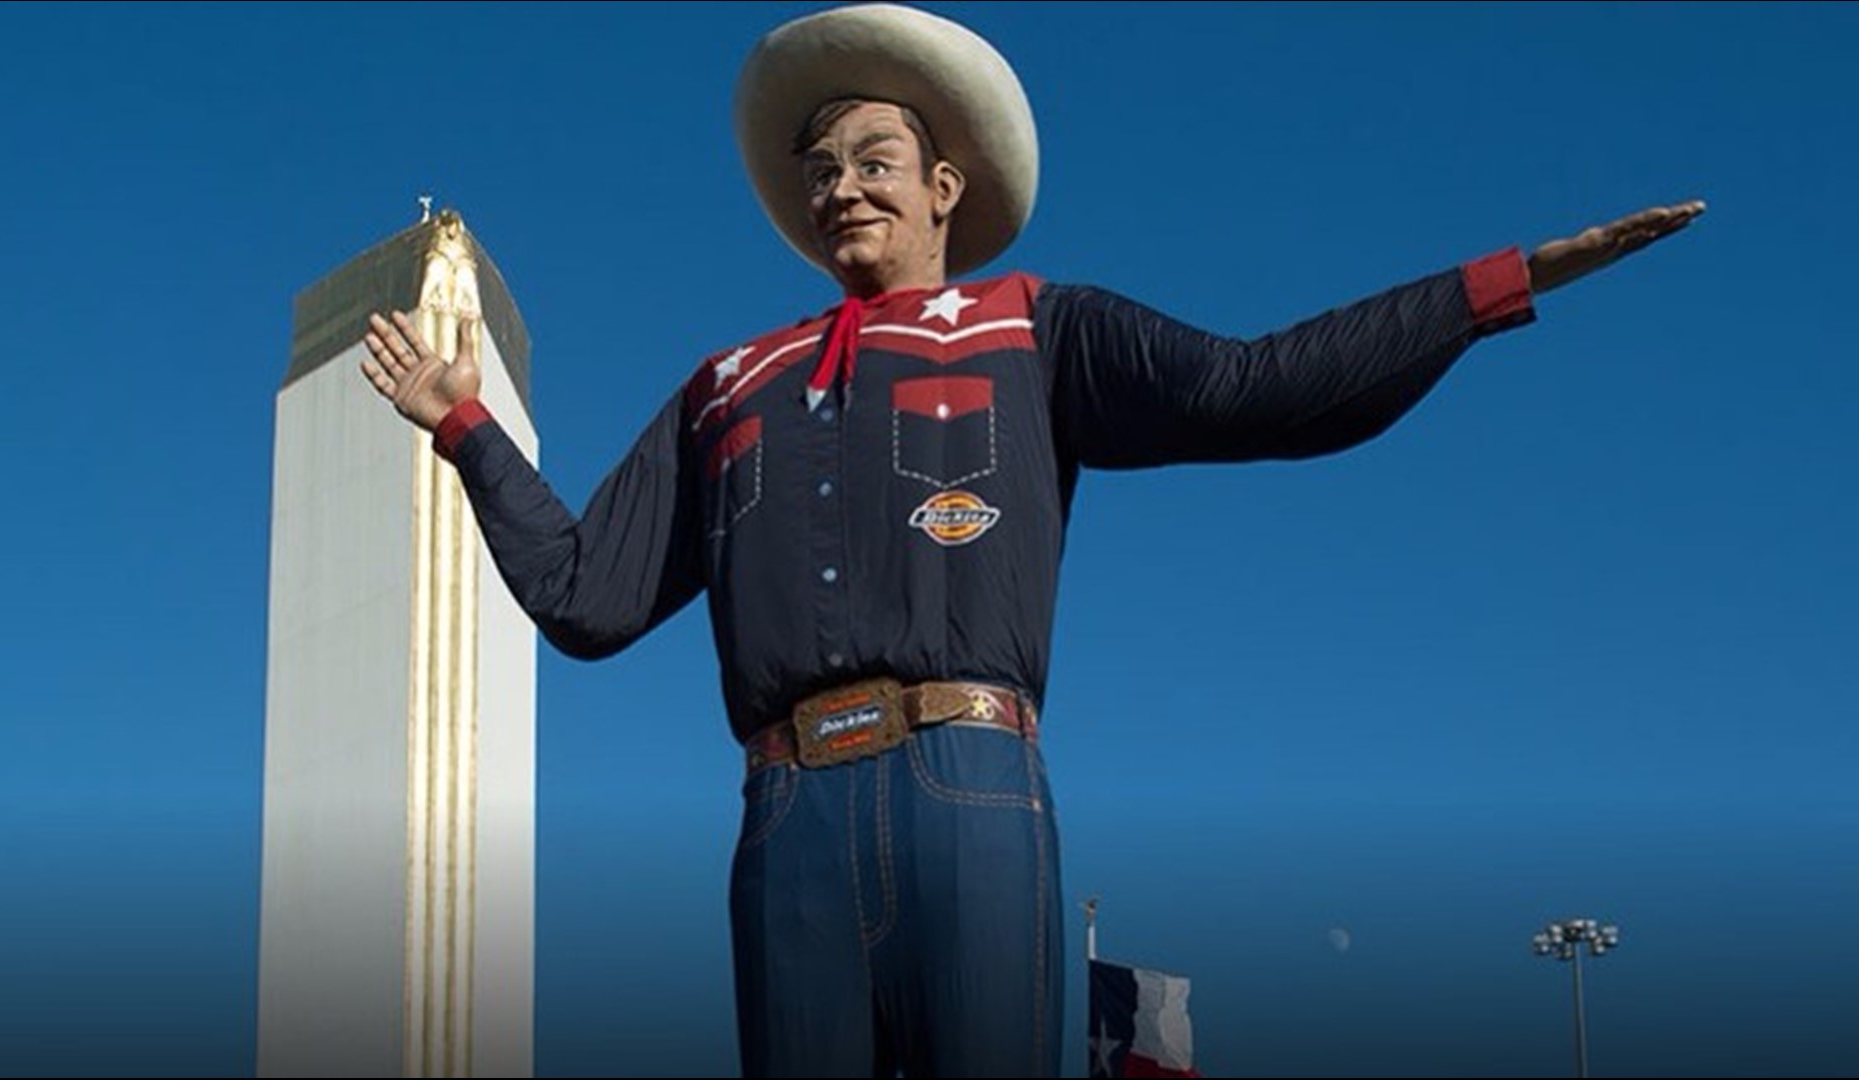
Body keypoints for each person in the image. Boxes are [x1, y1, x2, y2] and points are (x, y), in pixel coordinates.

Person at [359, 6, 1702, 1076]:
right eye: (817, 170)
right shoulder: (728, 384)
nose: (840, 188)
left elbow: (1259, 388)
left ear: (945, 183)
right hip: (785, 825)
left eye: (872, 161)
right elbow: (589, 596)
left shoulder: (1034, 326)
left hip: (974, 794)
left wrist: (1496, 286)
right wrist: (466, 426)